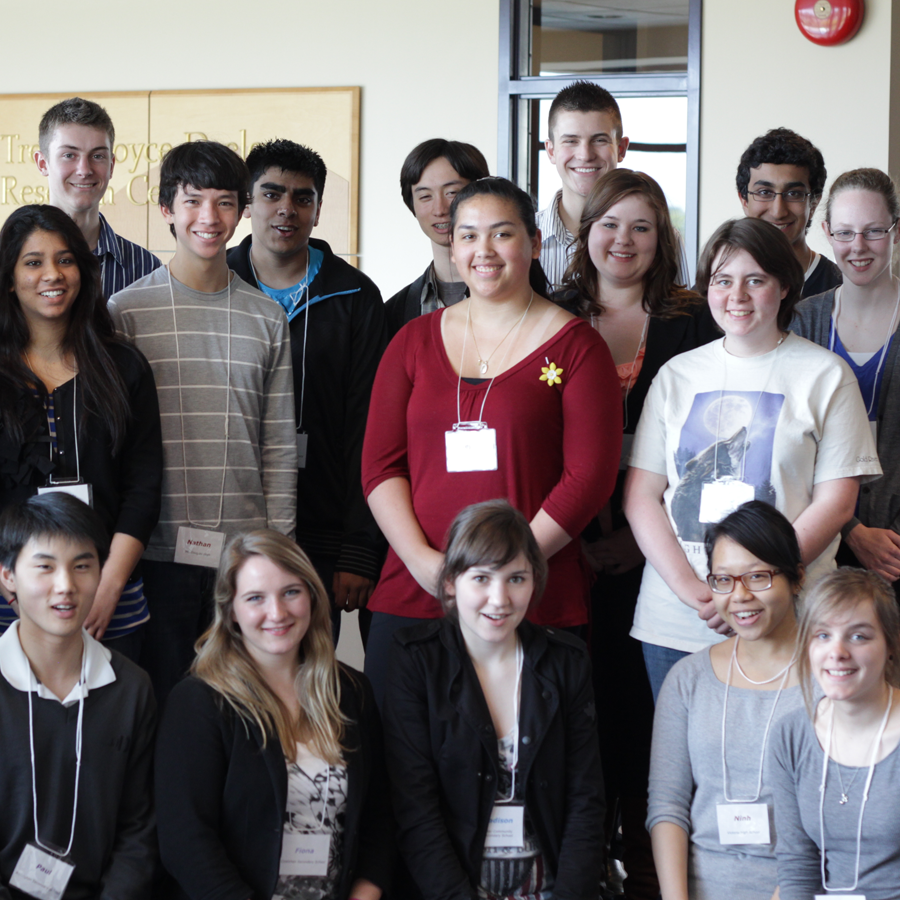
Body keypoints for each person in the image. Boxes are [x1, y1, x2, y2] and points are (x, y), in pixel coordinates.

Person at [361, 176, 621, 704]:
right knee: (401, 748)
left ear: (534, 243)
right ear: (453, 247)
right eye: (468, 236)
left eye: (502, 234)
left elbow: (588, 479)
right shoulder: (411, 340)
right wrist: (428, 565)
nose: (484, 250)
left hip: (529, 594)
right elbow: (381, 466)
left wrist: (505, 572)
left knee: (526, 747)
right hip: (421, 587)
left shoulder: (577, 347)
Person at [624, 217, 880, 700]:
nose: (736, 295)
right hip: (679, 620)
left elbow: (836, 503)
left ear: (784, 287)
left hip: (791, 618)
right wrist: (696, 591)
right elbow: (641, 497)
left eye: (755, 280)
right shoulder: (677, 375)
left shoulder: (826, 375)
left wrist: (756, 587)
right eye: (722, 280)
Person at [559, 168, 720, 900]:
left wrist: (638, 537)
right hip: (564, 547)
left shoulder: (697, 321)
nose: (623, 241)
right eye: (610, 224)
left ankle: (653, 863)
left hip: (666, 551)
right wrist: (571, 532)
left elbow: (714, 448)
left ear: (663, 240)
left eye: (642, 227)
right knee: (580, 700)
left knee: (650, 711)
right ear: (585, 231)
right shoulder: (553, 314)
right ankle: (584, 858)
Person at [108, 140, 297, 704]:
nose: (209, 218)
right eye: (193, 201)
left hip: (243, 557)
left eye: (224, 202)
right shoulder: (125, 312)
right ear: (166, 209)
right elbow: (118, 445)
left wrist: (277, 549)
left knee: (246, 708)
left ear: (242, 211)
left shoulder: (267, 317)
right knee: (163, 708)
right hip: (154, 554)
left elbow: (278, 446)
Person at [382, 499, 604, 900]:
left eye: (516, 578)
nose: (500, 599)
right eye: (482, 578)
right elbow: (414, 808)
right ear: (451, 582)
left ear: (535, 581)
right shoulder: (415, 661)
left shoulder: (566, 661)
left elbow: (585, 800)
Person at [155, 529, 393, 900]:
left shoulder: (351, 692)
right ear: (230, 611)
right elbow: (185, 842)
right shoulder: (198, 702)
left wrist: (366, 892)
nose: (277, 613)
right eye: (256, 598)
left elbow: (379, 816)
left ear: (312, 596)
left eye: (291, 592)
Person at [227, 139, 387, 638]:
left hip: (323, 529)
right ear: (247, 203)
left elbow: (368, 428)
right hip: (229, 523)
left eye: (303, 197)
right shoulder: (217, 284)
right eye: (271, 194)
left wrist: (358, 546)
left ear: (317, 211)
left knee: (308, 666)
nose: (286, 209)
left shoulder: (355, 295)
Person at [0, 204, 162, 662]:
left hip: (110, 598)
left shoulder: (123, 366)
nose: (52, 274)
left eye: (65, 259)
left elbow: (143, 488)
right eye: (33, 262)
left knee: (116, 703)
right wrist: (11, 584)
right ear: (10, 278)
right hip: (9, 596)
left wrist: (109, 585)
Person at [0, 492, 156, 899]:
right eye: (45, 567)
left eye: (82, 566)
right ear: (8, 576)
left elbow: (139, 828)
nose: (66, 586)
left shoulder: (132, 688)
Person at [649, 500, 806, 900]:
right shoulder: (688, 679)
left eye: (757, 576)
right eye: (723, 580)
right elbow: (667, 806)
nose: (740, 596)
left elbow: (838, 821)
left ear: (797, 578)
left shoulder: (831, 681)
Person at [790, 168, 900, 595]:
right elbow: (791, 443)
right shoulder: (803, 321)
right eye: (845, 232)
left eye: (874, 231)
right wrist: (852, 530)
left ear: (895, 230)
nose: (858, 246)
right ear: (826, 233)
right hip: (820, 541)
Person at [770, 567, 900, 899]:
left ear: (890, 644)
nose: (837, 652)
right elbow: (798, 866)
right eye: (823, 635)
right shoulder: (790, 735)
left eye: (859, 636)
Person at [539, 81, 690, 291]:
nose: (585, 155)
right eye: (571, 141)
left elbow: (679, 308)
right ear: (551, 151)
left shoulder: (661, 238)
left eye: (599, 140)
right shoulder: (523, 237)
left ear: (621, 148)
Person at [34, 96, 160, 298]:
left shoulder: (146, 268)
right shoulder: (8, 258)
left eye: (97, 156)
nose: (84, 170)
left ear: (111, 166)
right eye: (69, 155)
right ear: (42, 163)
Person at [385, 138, 490, 338]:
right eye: (425, 196)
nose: (440, 209)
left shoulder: (517, 295)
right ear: (412, 205)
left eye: (452, 192)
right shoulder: (392, 313)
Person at [737, 128, 841, 300]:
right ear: (744, 200)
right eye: (764, 192)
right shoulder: (711, 295)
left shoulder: (843, 290)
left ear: (814, 202)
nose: (778, 212)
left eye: (793, 194)